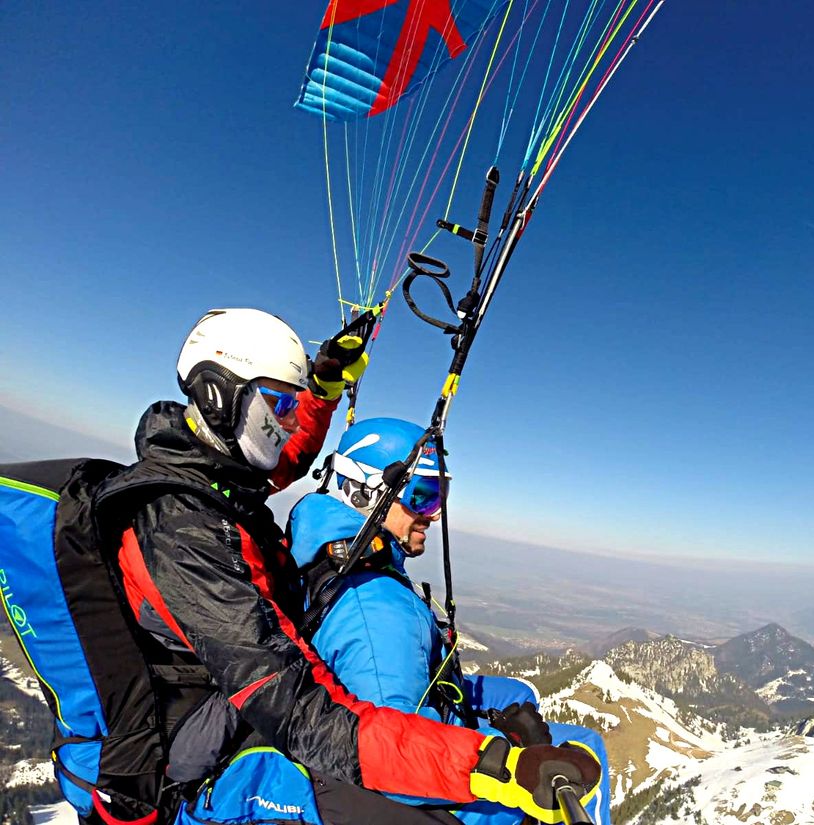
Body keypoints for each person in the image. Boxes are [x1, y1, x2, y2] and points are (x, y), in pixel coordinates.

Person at [111, 308, 600, 825]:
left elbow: (284, 457)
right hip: (209, 742)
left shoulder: (210, 471)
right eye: (280, 403)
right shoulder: (182, 538)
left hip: (255, 699)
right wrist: (496, 768)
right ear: (219, 395)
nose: (292, 420)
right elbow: (301, 713)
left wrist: (320, 391)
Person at [282, 417, 612, 825]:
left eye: (440, 496)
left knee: (520, 693)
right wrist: (508, 751)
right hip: (418, 784)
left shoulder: (345, 552)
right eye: (422, 496)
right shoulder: (375, 609)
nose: (434, 514)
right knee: (585, 751)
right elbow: (391, 756)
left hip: (426, 716)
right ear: (365, 491)